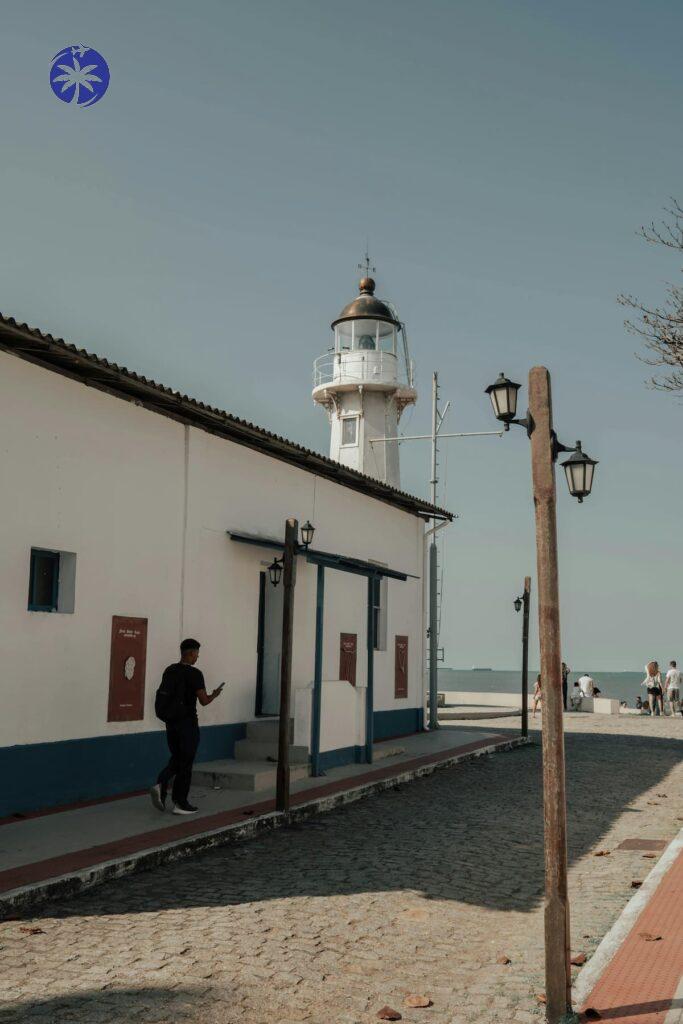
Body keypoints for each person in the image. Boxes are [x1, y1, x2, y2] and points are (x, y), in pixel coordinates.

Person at [151, 639, 225, 815]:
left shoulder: (170, 670)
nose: (197, 658)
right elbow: (204, 701)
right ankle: (180, 803)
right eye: (196, 655)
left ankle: (162, 785)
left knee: (177, 757)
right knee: (186, 762)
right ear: (191, 653)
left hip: (171, 722)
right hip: (187, 724)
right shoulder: (195, 674)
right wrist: (214, 694)